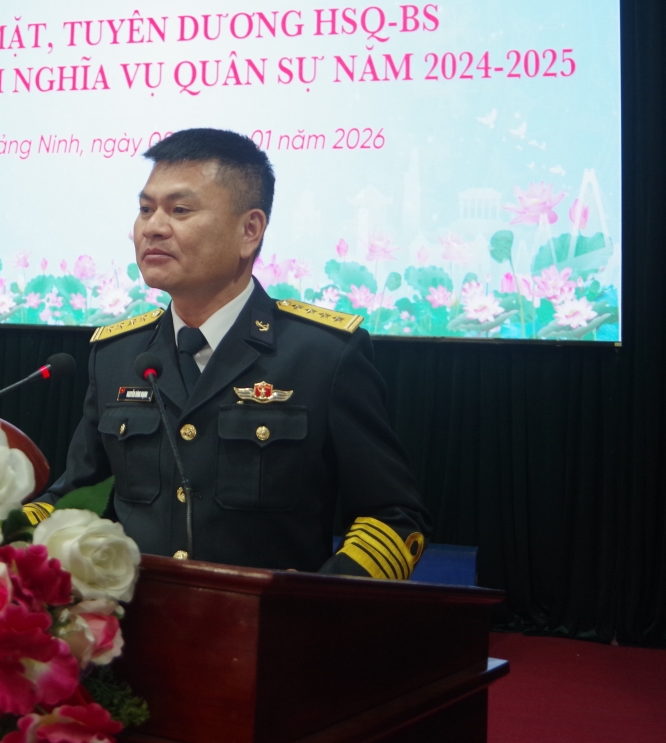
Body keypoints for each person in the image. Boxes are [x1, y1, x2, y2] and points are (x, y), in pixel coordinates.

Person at [26, 128, 428, 578]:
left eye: (180, 210)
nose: (153, 227)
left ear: (249, 230)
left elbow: (392, 516)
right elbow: (76, 497)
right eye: (145, 209)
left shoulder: (322, 355)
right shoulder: (117, 354)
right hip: (134, 615)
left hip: (269, 620)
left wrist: (317, 604)